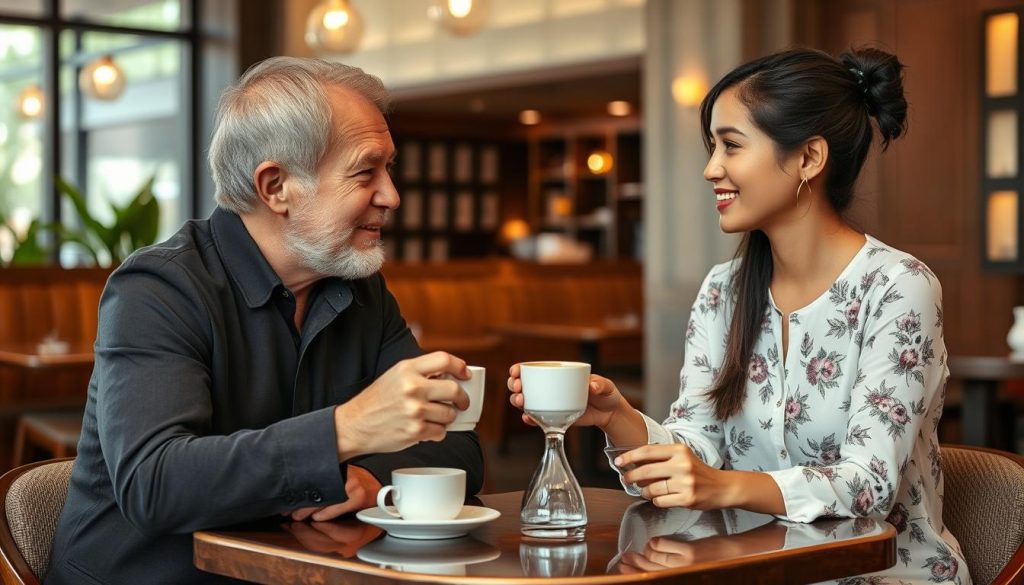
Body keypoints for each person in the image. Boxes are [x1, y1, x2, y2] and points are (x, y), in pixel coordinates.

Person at [508, 47, 970, 584]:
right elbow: (696, 447)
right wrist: (618, 418)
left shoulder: (897, 287)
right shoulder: (722, 292)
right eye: (712, 147)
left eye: (731, 145)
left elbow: (868, 483)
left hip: (887, 575)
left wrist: (721, 485)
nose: (711, 169)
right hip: (753, 569)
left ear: (808, 158)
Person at [46, 57, 484, 585]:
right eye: (366, 171)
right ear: (276, 186)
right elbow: (155, 484)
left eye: (389, 169)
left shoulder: (361, 289)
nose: (391, 195)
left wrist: (371, 475)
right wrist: (347, 429)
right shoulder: (158, 289)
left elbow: (456, 442)